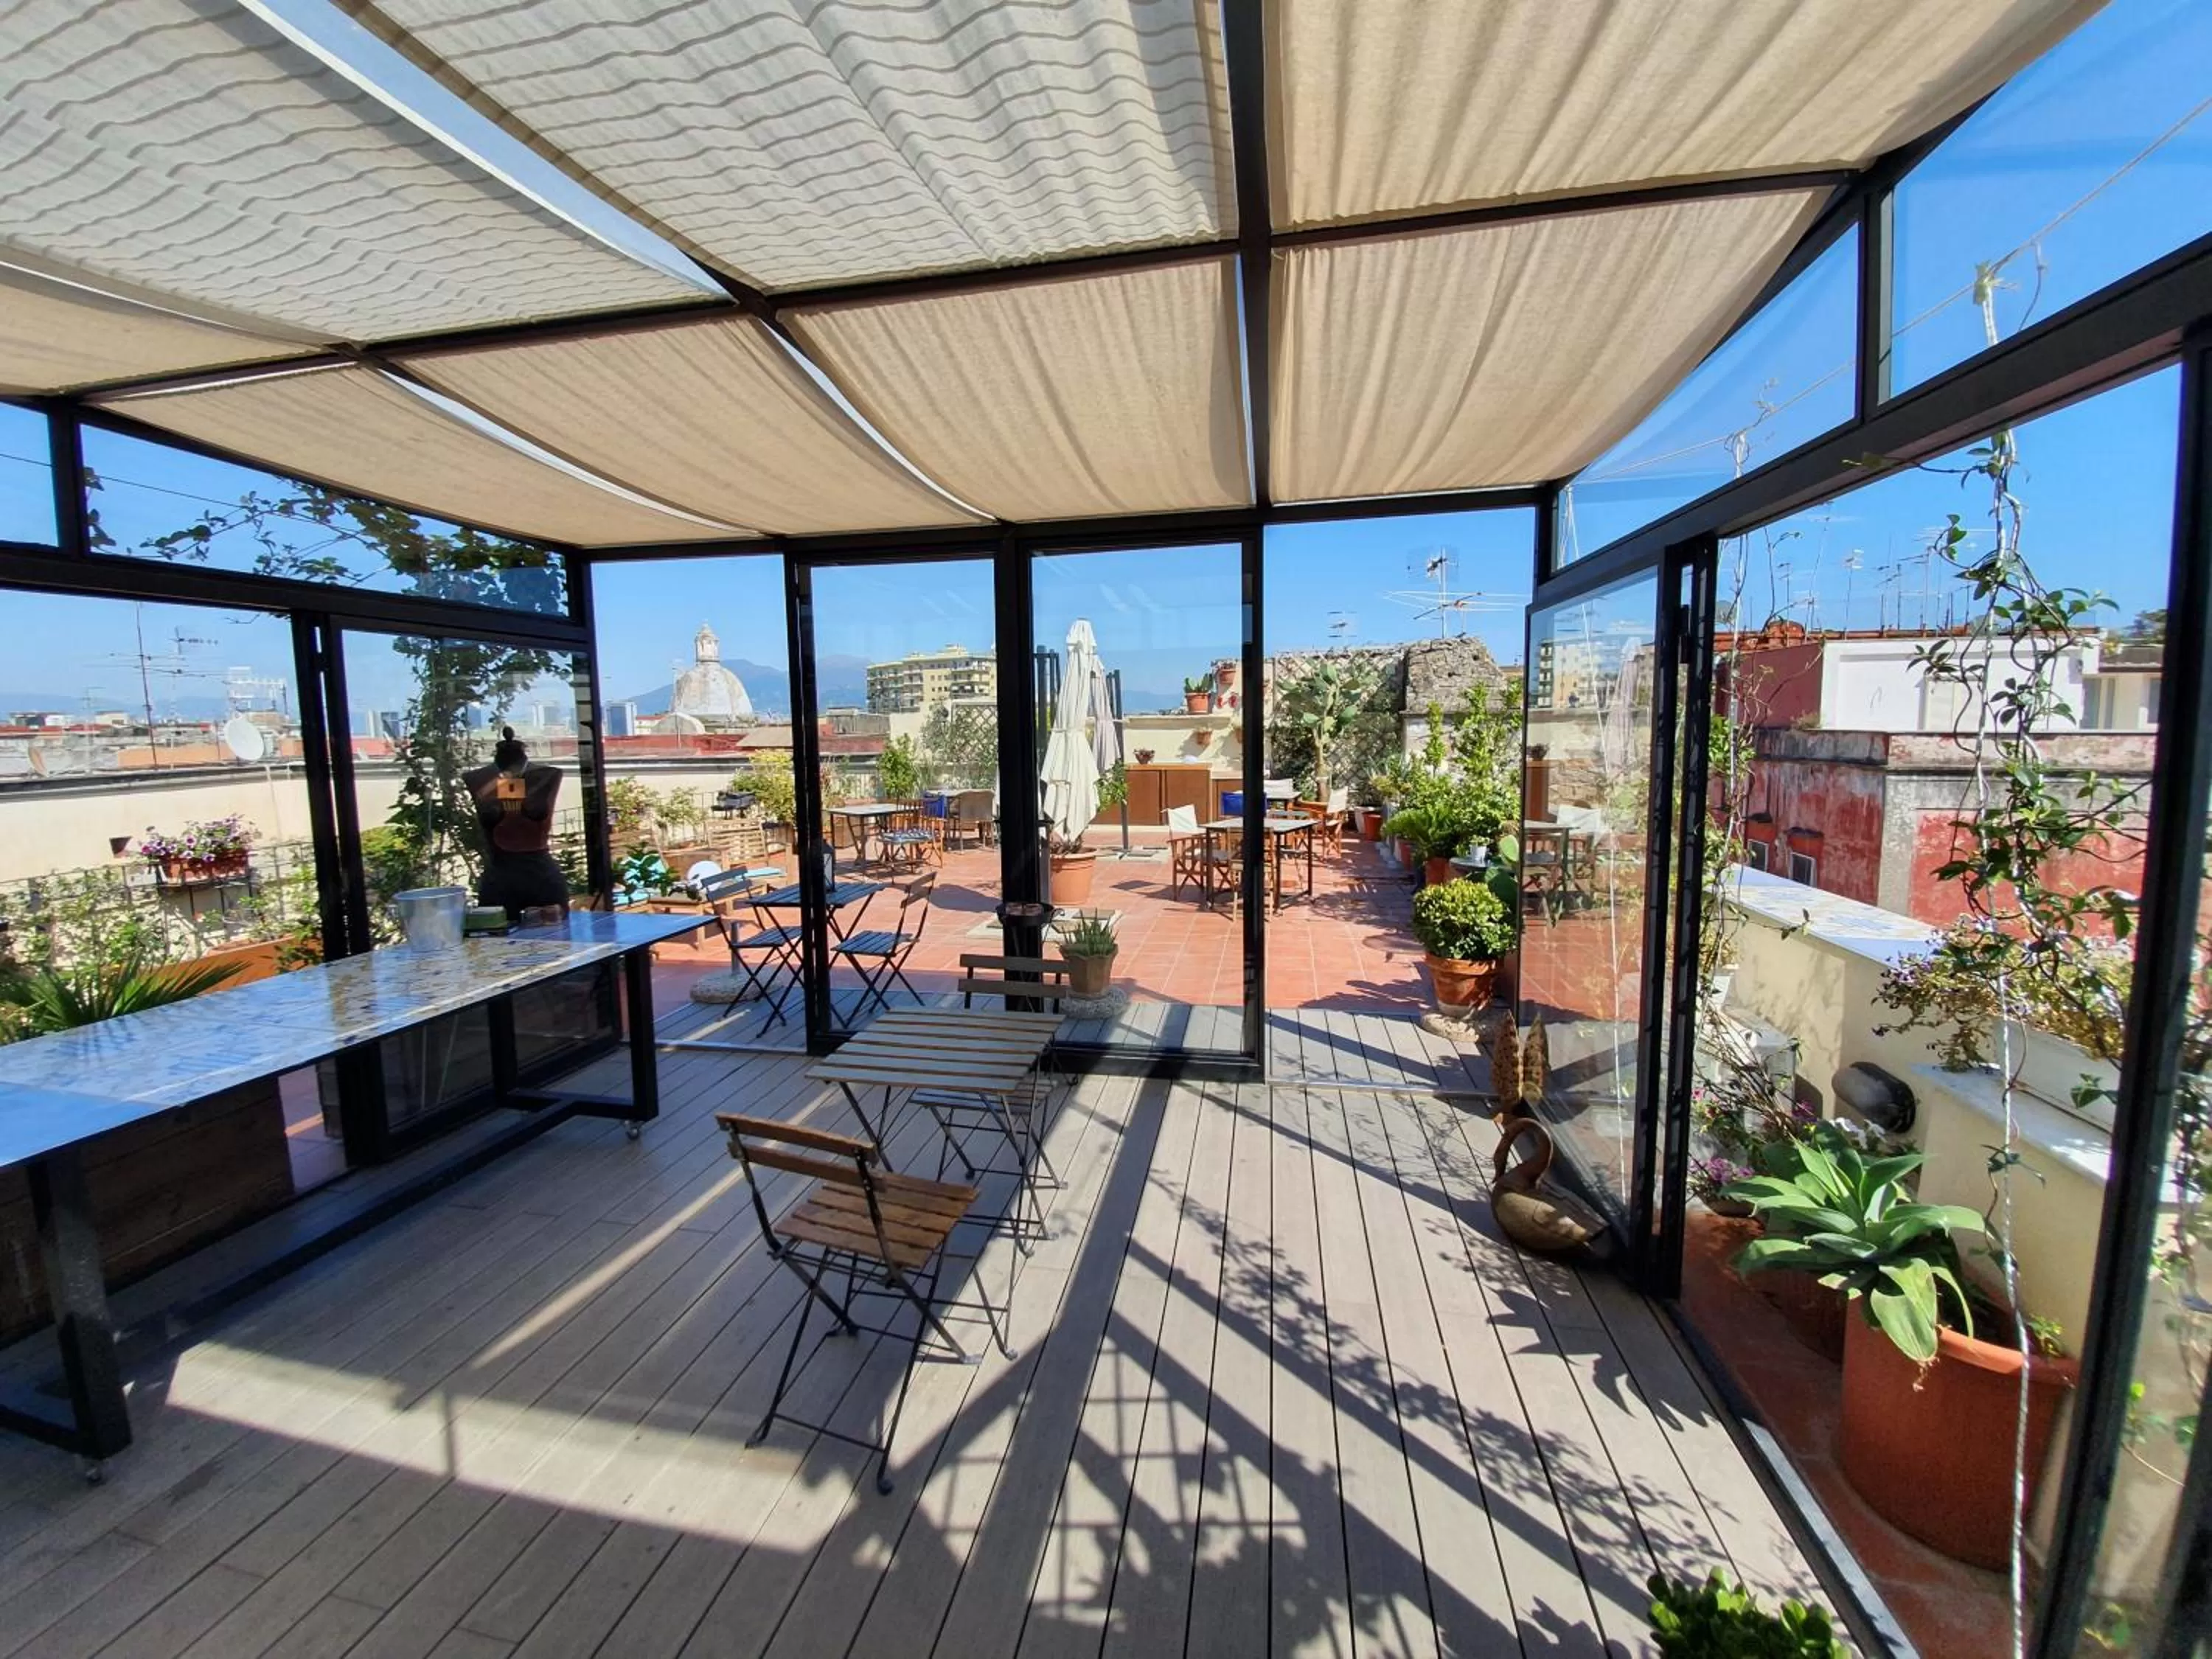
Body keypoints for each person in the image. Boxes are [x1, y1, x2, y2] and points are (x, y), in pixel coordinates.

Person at [465, 727, 567, 918]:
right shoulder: (477, 778)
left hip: (542, 878)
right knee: (496, 942)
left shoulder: (548, 775)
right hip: (499, 880)